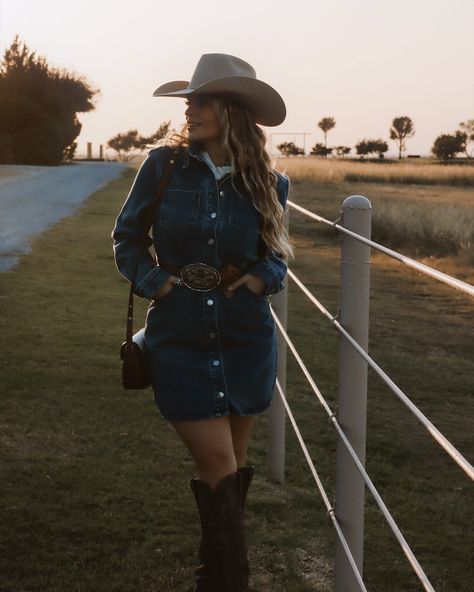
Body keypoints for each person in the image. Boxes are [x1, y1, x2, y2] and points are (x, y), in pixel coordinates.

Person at [111, 53, 294, 592]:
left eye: (201, 99)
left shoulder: (269, 182)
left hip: (245, 343)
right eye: (188, 99)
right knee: (219, 466)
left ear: (232, 110)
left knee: (232, 470)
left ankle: (212, 576)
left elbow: (278, 253)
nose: (189, 108)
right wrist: (159, 285)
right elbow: (126, 241)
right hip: (180, 342)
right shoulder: (162, 167)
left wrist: (263, 277)